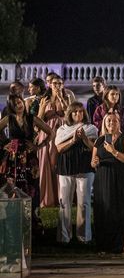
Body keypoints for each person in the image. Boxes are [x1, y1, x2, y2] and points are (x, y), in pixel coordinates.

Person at [0, 94, 53, 234]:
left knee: (31, 188)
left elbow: (50, 132)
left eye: (21, 102)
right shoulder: (8, 119)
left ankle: (32, 222)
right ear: (12, 106)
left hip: (29, 159)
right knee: (13, 186)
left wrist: (39, 146)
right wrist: (5, 143)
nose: (20, 105)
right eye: (16, 103)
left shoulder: (32, 118)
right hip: (13, 158)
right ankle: (12, 221)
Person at [54, 102, 99, 244]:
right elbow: (59, 148)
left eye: (80, 112)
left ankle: (84, 237)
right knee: (64, 202)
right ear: (70, 114)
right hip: (66, 166)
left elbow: (95, 148)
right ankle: (64, 237)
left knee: (84, 202)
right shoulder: (62, 129)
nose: (78, 114)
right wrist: (73, 140)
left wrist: (84, 138)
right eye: (74, 112)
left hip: (85, 166)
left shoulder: (91, 128)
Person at [91, 112, 124, 255]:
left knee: (121, 210)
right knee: (103, 211)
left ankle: (123, 246)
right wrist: (95, 162)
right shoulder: (99, 140)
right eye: (109, 121)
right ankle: (103, 246)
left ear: (118, 122)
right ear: (104, 123)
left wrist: (114, 151)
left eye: (114, 121)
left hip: (119, 177)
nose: (111, 123)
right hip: (102, 178)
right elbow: (93, 161)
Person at [37, 74, 69, 207]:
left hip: (61, 133)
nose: (57, 86)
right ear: (50, 85)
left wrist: (61, 99)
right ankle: (48, 197)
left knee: (58, 162)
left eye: (60, 83)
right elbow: (38, 119)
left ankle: (61, 196)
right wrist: (43, 107)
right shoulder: (44, 99)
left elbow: (69, 116)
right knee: (46, 162)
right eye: (55, 83)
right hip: (47, 133)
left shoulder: (66, 97)